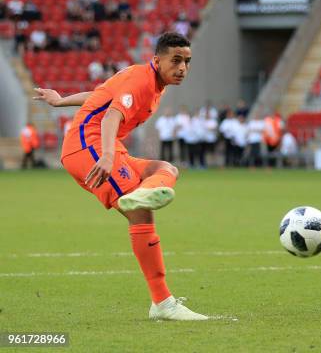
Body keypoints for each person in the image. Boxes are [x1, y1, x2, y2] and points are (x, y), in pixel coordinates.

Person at [33, 32, 209, 320]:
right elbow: (112, 115)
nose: (182, 68)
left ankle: (142, 193)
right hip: (88, 145)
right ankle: (163, 303)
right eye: (176, 60)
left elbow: (100, 97)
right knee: (141, 213)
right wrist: (106, 155)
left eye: (187, 62)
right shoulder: (142, 79)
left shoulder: (152, 83)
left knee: (166, 169)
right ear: (157, 60)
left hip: (101, 145)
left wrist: (60, 101)